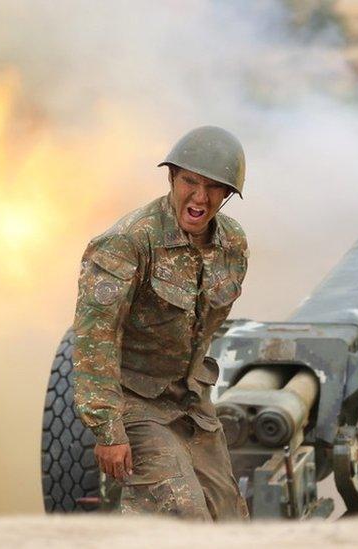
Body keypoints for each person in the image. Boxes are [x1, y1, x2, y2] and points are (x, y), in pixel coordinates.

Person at [72, 126, 249, 520]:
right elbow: (94, 340)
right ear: (172, 177)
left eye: (213, 187)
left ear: (227, 195)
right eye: (189, 181)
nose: (199, 197)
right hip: (134, 402)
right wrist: (108, 431)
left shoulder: (232, 244)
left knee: (231, 523)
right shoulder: (127, 242)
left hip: (191, 402)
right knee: (183, 518)